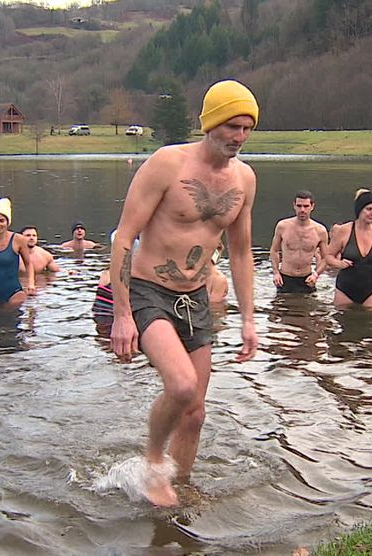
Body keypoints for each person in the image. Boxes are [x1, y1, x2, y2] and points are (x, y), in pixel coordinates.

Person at [109, 79, 259, 507]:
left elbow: (241, 251)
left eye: (247, 128)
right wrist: (122, 314)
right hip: (147, 290)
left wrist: (249, 319)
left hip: (195, 299)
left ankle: (181, 485)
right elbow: (123, 238)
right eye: (232, 126)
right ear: (210, 122)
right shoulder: (167, 164)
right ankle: (153, 465)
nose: (239, 137)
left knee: (194, 413)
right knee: (180, 387)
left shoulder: (245, 180)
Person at [270, 190, 329, 293]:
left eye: (306, 206)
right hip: (285, 278)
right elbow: (274, 250)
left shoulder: (320, 231)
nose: (302, 210)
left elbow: (326, 257)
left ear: (312, 206)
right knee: (280, 307)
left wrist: (316, 274)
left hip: (307, 279)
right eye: (299, 206)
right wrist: (276, 272)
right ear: (294, 206)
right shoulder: (283, 226)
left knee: (308, 308)